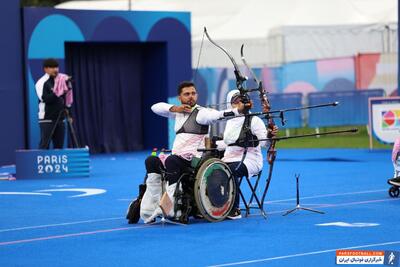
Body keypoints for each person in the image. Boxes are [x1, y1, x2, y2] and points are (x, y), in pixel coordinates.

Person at [137, 81, 245, 223]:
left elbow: (218, 115)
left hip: (195, 160)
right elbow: (155, 107)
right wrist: (176, 108)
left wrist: (238, 111)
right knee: (151, 161)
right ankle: (150, 208)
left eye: (193, 93)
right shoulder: (178, 113)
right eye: (186, 94)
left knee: (171, 160)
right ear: (179, 97)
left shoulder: (201, 113)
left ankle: (175, 209)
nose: (191, 97)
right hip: (177, 158)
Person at [219, 90, 278, 219]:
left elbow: (264, 143)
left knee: (229, 170)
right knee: (213, 169)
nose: (240, 103)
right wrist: (214, 143)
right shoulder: (230, 121)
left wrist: (269, 136)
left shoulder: (254, 120)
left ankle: (234, 209)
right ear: (230, 105)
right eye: (235, 101)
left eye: (242, 100)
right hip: (229, 158)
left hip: (250, 160)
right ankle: (216, 206)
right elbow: (228, 143)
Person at [35, 58, 73, 149]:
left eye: (56, 67)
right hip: (47, 119)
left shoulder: (61, 80)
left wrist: (69, 114)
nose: (55, 69)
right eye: (52, 67)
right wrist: (57, 92)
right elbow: (44, 99)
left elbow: (65, 99)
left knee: (59, 147)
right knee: (44, 146)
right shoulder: (41, 82)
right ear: (45, 69)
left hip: (60, 119)